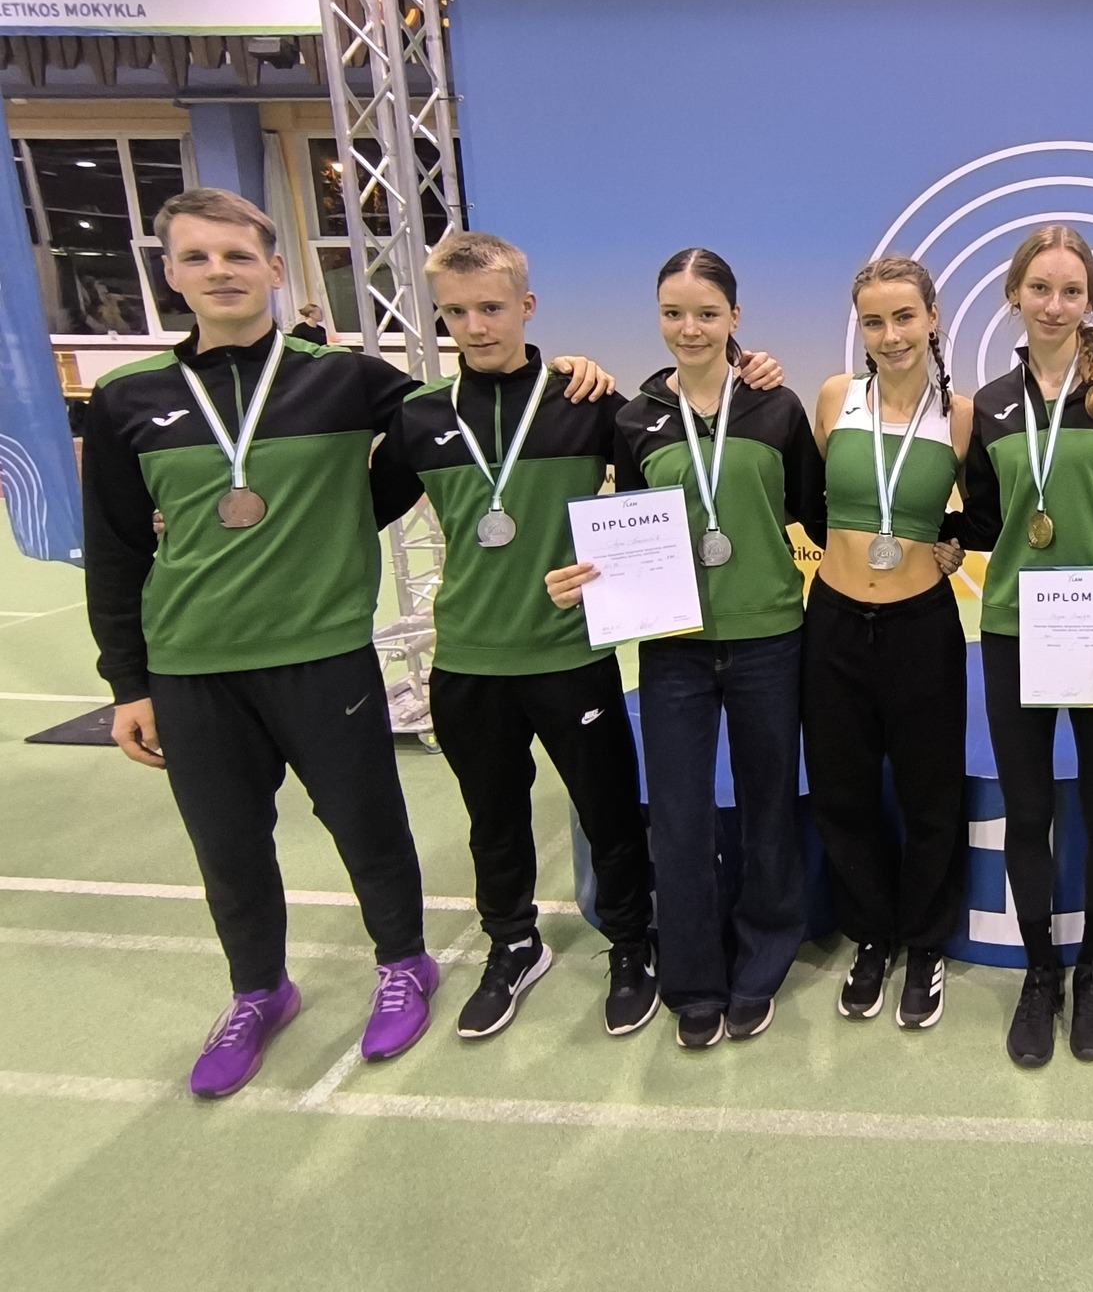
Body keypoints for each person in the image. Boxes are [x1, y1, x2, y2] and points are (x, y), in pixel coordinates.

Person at [79, 188, 614, 1098]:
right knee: (228, 847)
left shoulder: (348, 381)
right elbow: (118, 549)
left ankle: (403, 964)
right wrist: (128, 681)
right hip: (192, 665)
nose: (220, 272)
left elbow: (471, 405)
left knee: (368, 824)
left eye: (237, 256)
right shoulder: (128, 399)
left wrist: (563, 369)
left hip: (325, 652)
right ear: (169, 274)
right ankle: (258, 991)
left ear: (274, 269)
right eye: (198, 257)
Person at [376, 232, 659, 1040]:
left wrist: (606, 575)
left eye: (492, 308)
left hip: (571, 656)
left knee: (609, 815)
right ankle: (513, 944)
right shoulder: (420, 417)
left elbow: (650, 511)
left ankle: (632, 944)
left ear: (526, 307)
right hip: (467, 660)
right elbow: (351, 513)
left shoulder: (587, 401)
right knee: (492, 821)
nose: (476, 326)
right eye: (457, 312)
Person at [549, 248, 824, 1051]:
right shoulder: (635, 419)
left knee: (768, 808)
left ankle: (761, 964)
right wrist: (592, 577)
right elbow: (631, 532)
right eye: (674, 313)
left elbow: (814, 512)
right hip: (675, 647)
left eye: (707, 313)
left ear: (736, 317)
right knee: (678, 816)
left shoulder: (777, 405)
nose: (690, 328)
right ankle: (694, 977)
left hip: (770, 637)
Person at [946, 224, 1093, 1067]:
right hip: (1016, 634)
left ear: (1091, 299)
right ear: (1015, 294)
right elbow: (983, 521)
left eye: (1071, 291)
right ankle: (1041, 971)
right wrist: (935, 537)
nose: (1054, 305)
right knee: (1030, 812)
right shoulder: (990, 403)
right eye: (1040, 289)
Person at [804, 257, 975, 1030]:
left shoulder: (962, 415)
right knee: (842, 792)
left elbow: (986, 511)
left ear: (932, 319)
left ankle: (926, 942)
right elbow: (808, 497)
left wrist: (953, 540)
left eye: (905, 317)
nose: (891, 335)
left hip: (921, 627)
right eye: (874, 321)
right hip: (834, 622)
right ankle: (872, 935)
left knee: (930, 793)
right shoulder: (835, 398)